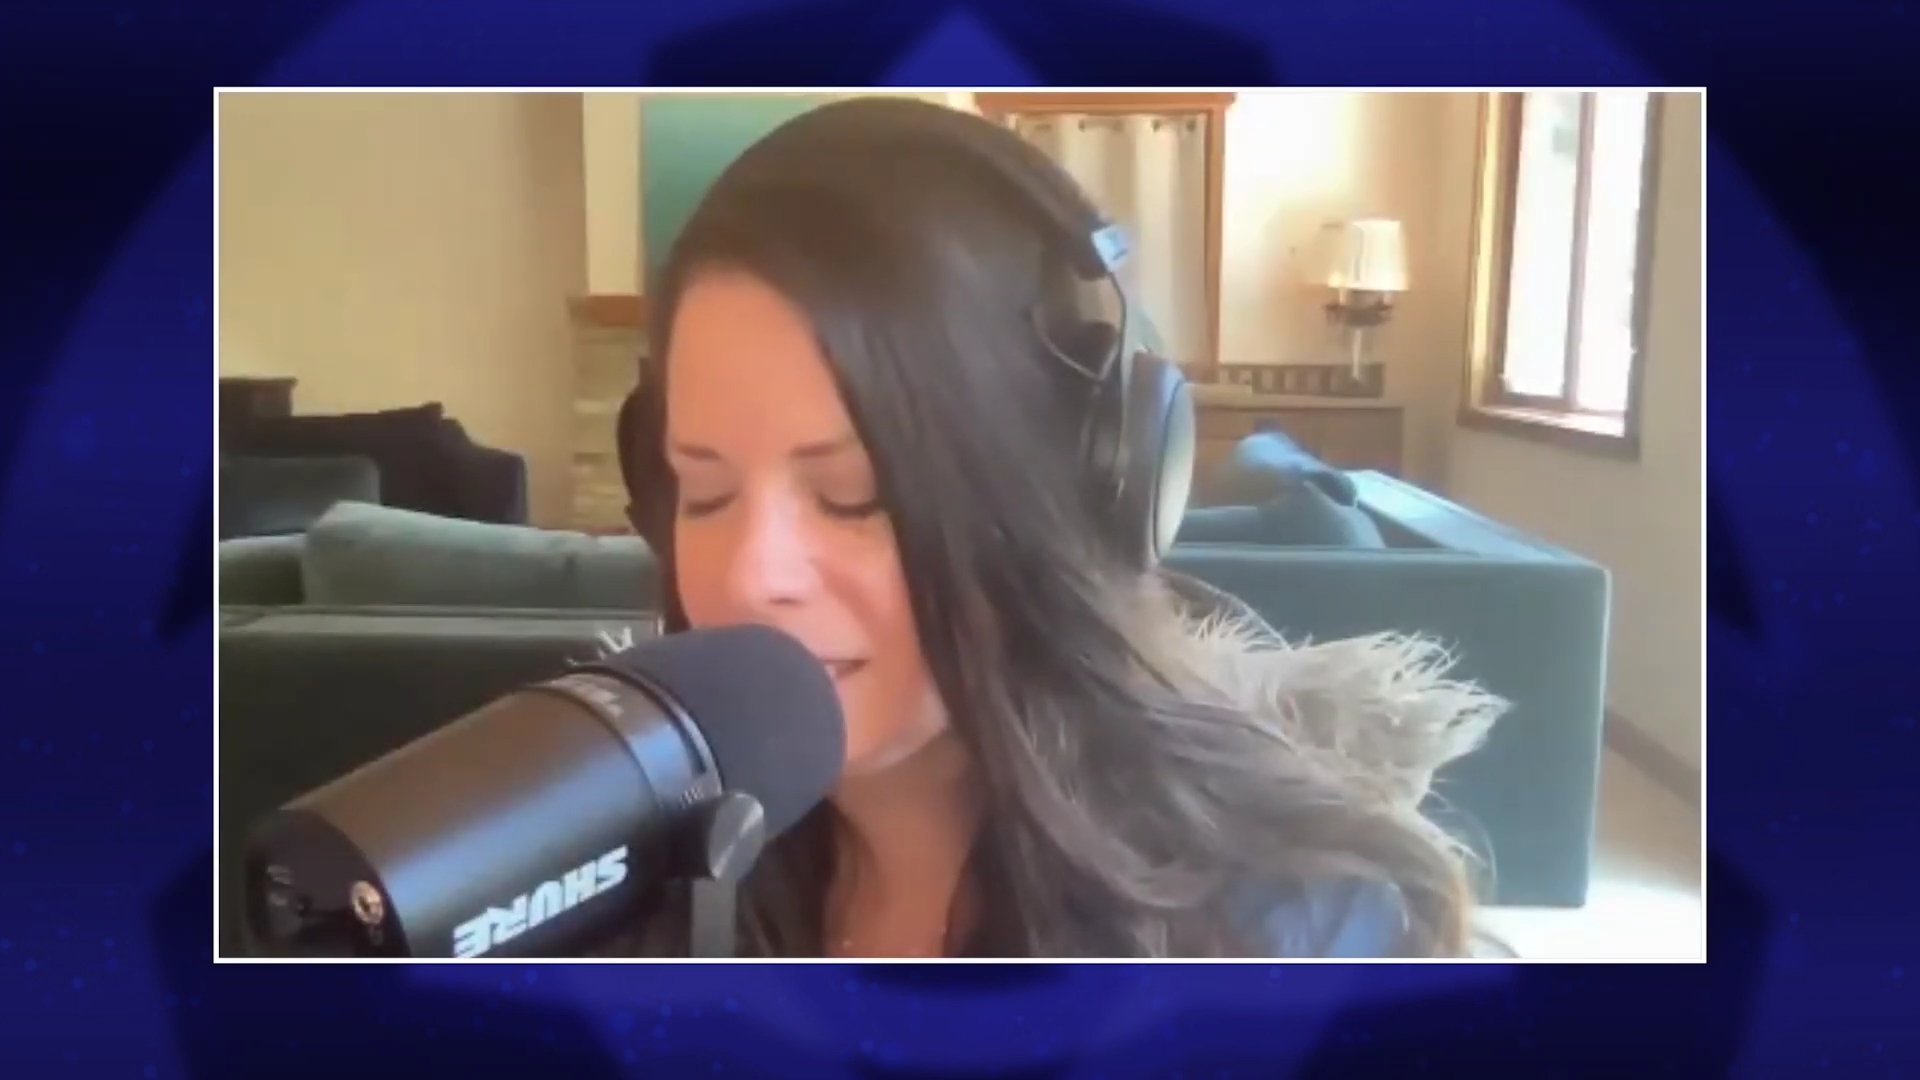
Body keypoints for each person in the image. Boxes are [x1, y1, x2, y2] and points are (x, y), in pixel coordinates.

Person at [610, 97, 1504, 958]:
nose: (752, 574)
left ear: (1066, 491)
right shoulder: (627, 886)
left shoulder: (1300, 929)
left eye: (852, 493)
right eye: (705, 492)